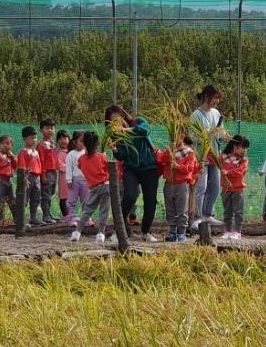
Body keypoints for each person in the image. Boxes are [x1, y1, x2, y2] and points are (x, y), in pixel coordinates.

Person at [106, 104, 159, 243]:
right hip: (131, 168)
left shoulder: (138, 121)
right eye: (113, 121)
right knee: (129, 196)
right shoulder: (116, 135)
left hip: (149, 167)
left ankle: (145, 232)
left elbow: (144, 131)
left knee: (151, 200)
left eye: (118, 118)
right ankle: (118, 231)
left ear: (123, 115)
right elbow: (122, 155)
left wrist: (125, 130)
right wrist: (115, 150)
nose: (116, 122)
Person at [190, 85, 226, 228]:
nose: (217, 101)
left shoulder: (216, 113)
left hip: (214, 155)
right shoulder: (196, 115)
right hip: (201, 156)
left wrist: (224, 136)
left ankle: (208, 215)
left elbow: (220, 132)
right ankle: (197, 217)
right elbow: (192, 137)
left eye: (218, 98)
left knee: (215, 186)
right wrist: (208, 134)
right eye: (215, 98)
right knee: (201, 187)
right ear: (206, 97)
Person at [69, 131, 111, 244]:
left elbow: (80, 166)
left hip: (93, 188)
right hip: (105, 186)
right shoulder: (102, 156)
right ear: (97, 144)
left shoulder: (81, 159)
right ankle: (101, 234)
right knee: (104, 211)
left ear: (84, 143)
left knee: (87, 211)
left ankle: (77, 232)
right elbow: (108, 169)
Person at [157, 134, 197, 242]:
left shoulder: (189, 152)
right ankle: (172, 232)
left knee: (182, 210)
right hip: (169, 183)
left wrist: (177, 166)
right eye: (173, 135)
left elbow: (190, 168)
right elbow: (161, 160)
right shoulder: (169, 149)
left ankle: (181, 232)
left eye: (178, 135)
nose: (175, 138)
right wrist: (170, 152)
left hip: (181, 184)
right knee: (170, 209)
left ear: (182, 136)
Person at [220, 135, 250, 239]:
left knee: (238, 211)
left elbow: (240, 172)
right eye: (243, 147)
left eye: (246, 148)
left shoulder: (244, 160)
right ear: (235, 146)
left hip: (238, 189)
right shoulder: (222, 157)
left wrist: (227, 172)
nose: (245, 150)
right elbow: (213, 160)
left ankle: (237, 232)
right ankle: (227, 231)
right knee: (227, 211)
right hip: (226, 189)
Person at [17, 126, 44, 225]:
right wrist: (24, 178)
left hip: (37, 178)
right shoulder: (23, 151)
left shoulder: (36, 152)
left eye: (35, 138)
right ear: (24, 139)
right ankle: (20, 219)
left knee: (36, 198)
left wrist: (41, 176)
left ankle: (33, 217)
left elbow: (39, 165)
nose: (34, 140)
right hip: (28, 177)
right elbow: (21, 166)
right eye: (31, 138)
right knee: (25, 198)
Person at [64, 130, 88, 224]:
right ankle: (71, 217)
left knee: (86, 200)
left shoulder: (86, 153)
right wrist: (69, 180)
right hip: (74, 181)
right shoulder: (71, 154)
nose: (83, 143)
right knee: (72, 200)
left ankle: (86, 218)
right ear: (74, 142)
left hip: (86, 181)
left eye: (85, 141)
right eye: (81, 141)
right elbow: (68, 168)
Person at [38, 118, 59, 224]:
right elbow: (41, 160)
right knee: (46, 194)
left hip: (54, 172)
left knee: (51, 193)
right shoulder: (41, 145)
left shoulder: (53, 143)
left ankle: (48, 213)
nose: (50, 130)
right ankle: (45, 215)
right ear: (41, 130)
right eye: (47, 128)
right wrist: (43, 174)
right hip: (47, 172)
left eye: (52, 128)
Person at [56, 129, 70, 218]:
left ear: (69, 139)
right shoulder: (58, 153)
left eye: (64, 138)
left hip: (73, 178)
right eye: (60, 139)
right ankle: (66, 216)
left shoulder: (72, 151)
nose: (62, 141)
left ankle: (71, 215)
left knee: (72, 197)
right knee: (63, 197)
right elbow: (60, 166)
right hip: (63, 178)